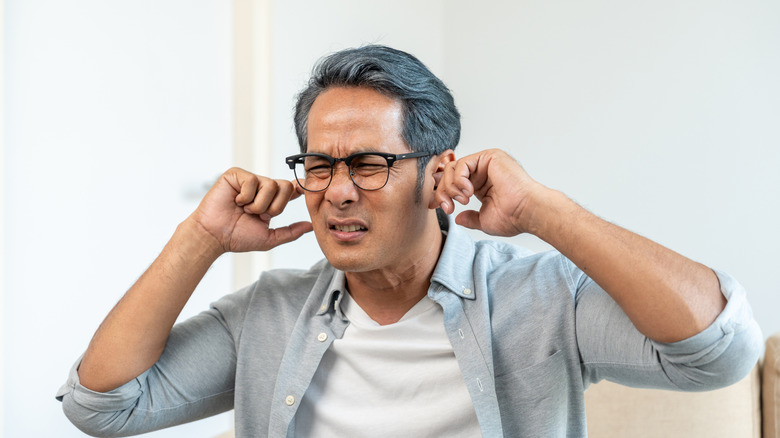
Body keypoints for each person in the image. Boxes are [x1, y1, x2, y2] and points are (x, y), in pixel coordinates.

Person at [57, 45, 762, 437]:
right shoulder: (269, 314)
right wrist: (199, 241)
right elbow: (103, 406)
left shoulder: (539, 299)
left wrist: (546, 212)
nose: (337, 191)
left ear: (438, 173)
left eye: (368, 164)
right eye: (320, 165)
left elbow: (720, 354)